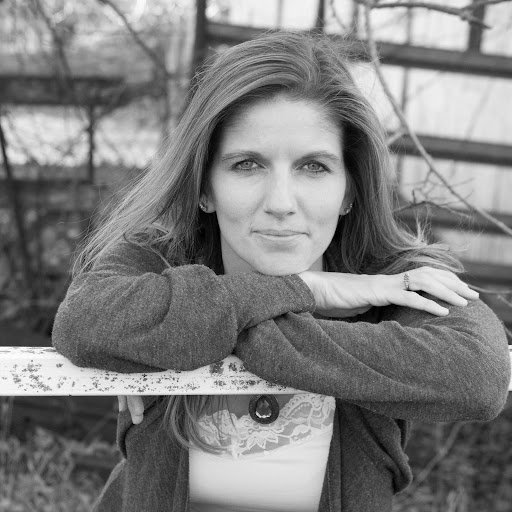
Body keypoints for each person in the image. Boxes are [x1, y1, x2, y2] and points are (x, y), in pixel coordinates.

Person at [52, 31, 510, 512]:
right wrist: (305, 289)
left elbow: (477, 377)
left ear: (350, 190)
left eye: (313, 167)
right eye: (247, 165)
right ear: (204, 186)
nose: (280, 204)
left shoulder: (397, 282)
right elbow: (83, 323)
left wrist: (193, 332)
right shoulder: (159, 259)